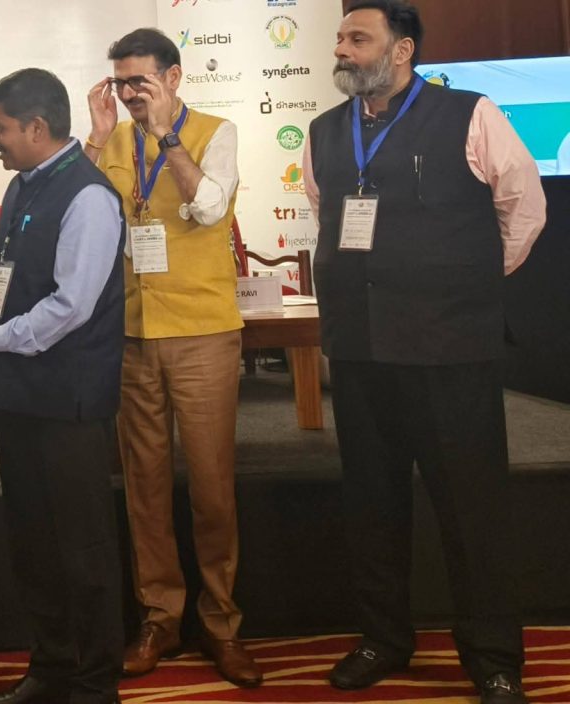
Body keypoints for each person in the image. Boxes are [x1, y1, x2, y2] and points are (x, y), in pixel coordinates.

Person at [302, 2, 546, 703]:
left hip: (450, 351)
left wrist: (463, 282)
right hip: (360, 351)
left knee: (471, 510)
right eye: (340, 38)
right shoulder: (323, 131)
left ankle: (493, 659)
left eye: (358, 38)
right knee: (372, 505)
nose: (342, 49)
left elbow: (523, 205)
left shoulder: (470, 114)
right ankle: (383, 638)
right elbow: (324, 211)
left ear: (402, 50)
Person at [0, 67, 125, 704]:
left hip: (67, 401)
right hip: (19, 393)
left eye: (1, 128)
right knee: (34, 541)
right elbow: (28, 271)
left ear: (37, 128)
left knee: (82, 547)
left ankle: (94, 683)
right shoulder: (23, 184)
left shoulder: (89, 196)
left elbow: (71, 306)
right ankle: (51, 669)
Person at [83, 28, 261, 687]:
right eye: (121, 82)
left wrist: (167, 138)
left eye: (141, 81)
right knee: (145, 488)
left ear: (174, 78)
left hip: (202, 331)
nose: (130, 93)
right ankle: (160, 619)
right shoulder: (112, 140)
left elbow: (209, 210)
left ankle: (222, 625)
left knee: (212, 487)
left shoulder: (216, 132)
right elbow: (83, 217)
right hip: (132, 332)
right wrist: (97, 138)